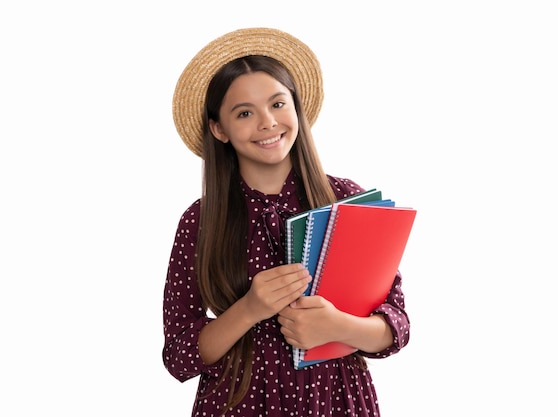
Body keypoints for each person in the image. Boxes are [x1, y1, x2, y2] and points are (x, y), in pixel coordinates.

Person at [163, 27, 410, 416]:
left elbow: (395, 325)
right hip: (236, 404)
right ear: (218, 129)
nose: (267, 122)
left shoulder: (346, 200)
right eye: (244, 112)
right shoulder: (200, 221)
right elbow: (178, 356)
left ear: (296, 108)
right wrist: (249, 308)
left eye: (278, 104)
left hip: (335, 403)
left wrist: (338, 327)